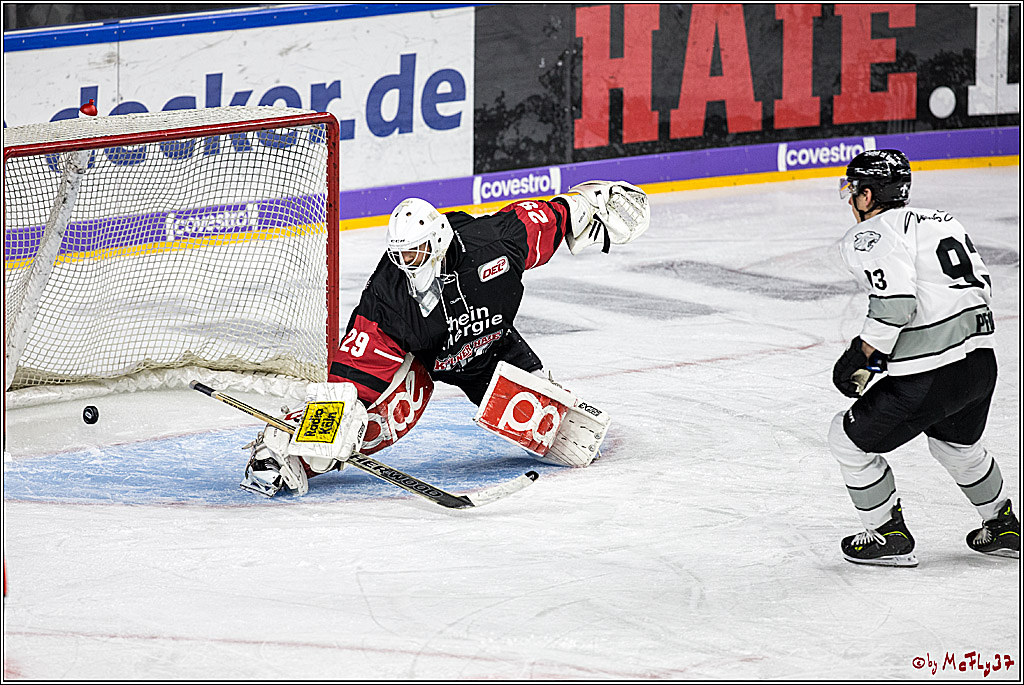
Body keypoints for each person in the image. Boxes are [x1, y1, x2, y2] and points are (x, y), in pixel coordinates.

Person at [240, 181, 650, 497]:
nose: (406, 262)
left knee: (565, 438)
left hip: (489, 348)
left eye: (415, 252)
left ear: (437, 240)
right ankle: (282, 450)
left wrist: (591, 203)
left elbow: (551, 216)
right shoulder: (388, 297)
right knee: (365, 422)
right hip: (423, 358)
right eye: (400, 254)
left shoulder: (496, 243)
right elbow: (349, 381)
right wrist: (325, 426)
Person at [828, 149, 1019, 565]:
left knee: (847, 441)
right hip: (980, 363)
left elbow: (897, 306)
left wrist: (863, 354)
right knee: (956, 447)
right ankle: (1003, 524)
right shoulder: (942, 220)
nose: (850, 200)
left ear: (866, 195)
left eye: (853, 190)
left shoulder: (871, 233)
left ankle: (887, 535)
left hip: (931, 373)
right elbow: (975, 292)